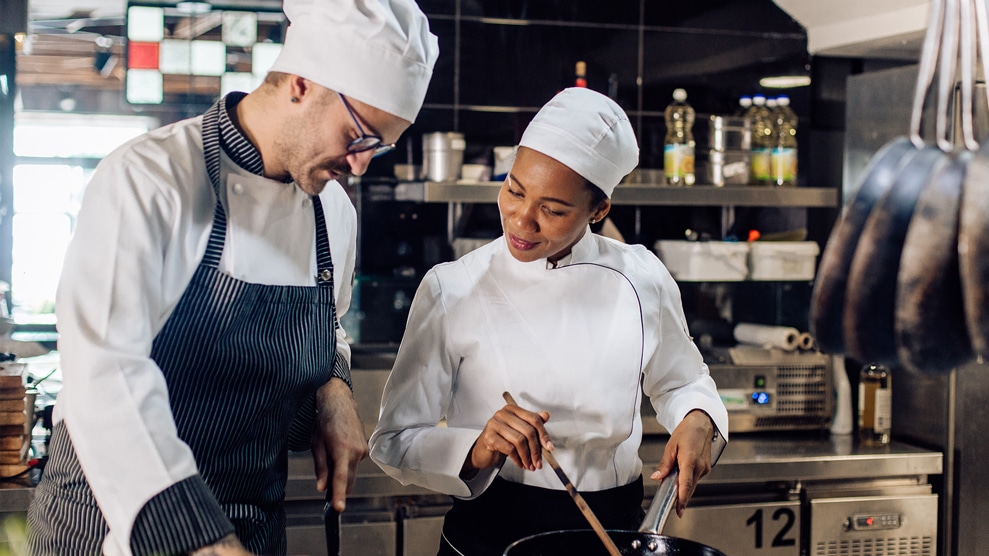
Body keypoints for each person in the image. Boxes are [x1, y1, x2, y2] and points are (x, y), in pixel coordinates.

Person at [25, 1, 438, 555]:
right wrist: (200, 539)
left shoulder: (332, 213)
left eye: (378, 147)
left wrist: (332, 387)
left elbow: (327, 325)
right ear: (300, 84)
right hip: (118, 525)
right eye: (359, 135)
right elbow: (104, 376)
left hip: (249, 525)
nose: (361, 165)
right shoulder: (150, 180)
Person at [369, 87, 729, 556]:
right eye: (514, 191)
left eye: (553, 210)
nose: (521, 220)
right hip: (492, 533)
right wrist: (477, 448)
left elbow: (683, 382)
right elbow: (394, 440)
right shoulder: (453, 287)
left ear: (598, 211)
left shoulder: (642, 277)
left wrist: (698, 417)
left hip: (613, 529)